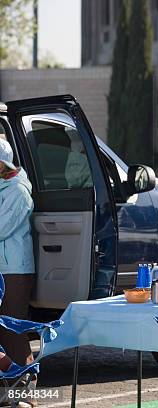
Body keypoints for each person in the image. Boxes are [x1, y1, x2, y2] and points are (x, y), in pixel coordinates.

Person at [0, 138, 35, 373]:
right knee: (3, 331)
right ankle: (8, 387)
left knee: (13, 330)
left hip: (15, 271)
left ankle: (26, 386)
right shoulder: (4, 186)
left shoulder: (18, 190)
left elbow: (2, 228)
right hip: (5, 269)